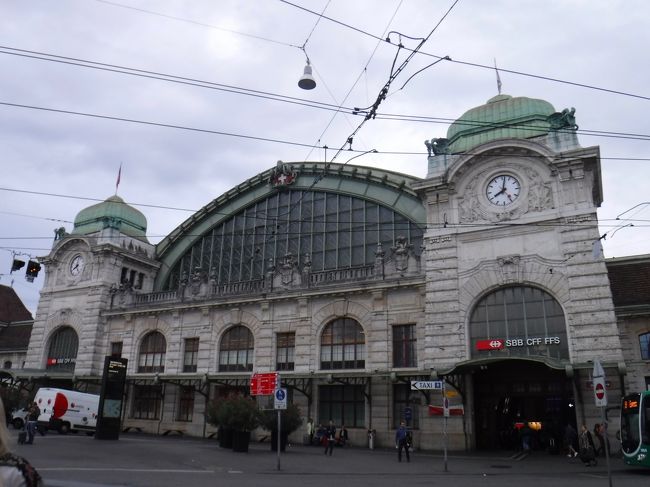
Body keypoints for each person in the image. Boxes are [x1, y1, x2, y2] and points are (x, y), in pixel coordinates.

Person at [0, 397, 43, 486]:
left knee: (31, 433)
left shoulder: (17, 471)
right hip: (30, 421)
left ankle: (30, 440)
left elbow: (37, 414)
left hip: (33, 421)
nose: (32, 405)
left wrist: (33, 413)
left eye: (33, 404)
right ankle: (29, 440)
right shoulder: (18, 468)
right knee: (29, 432)